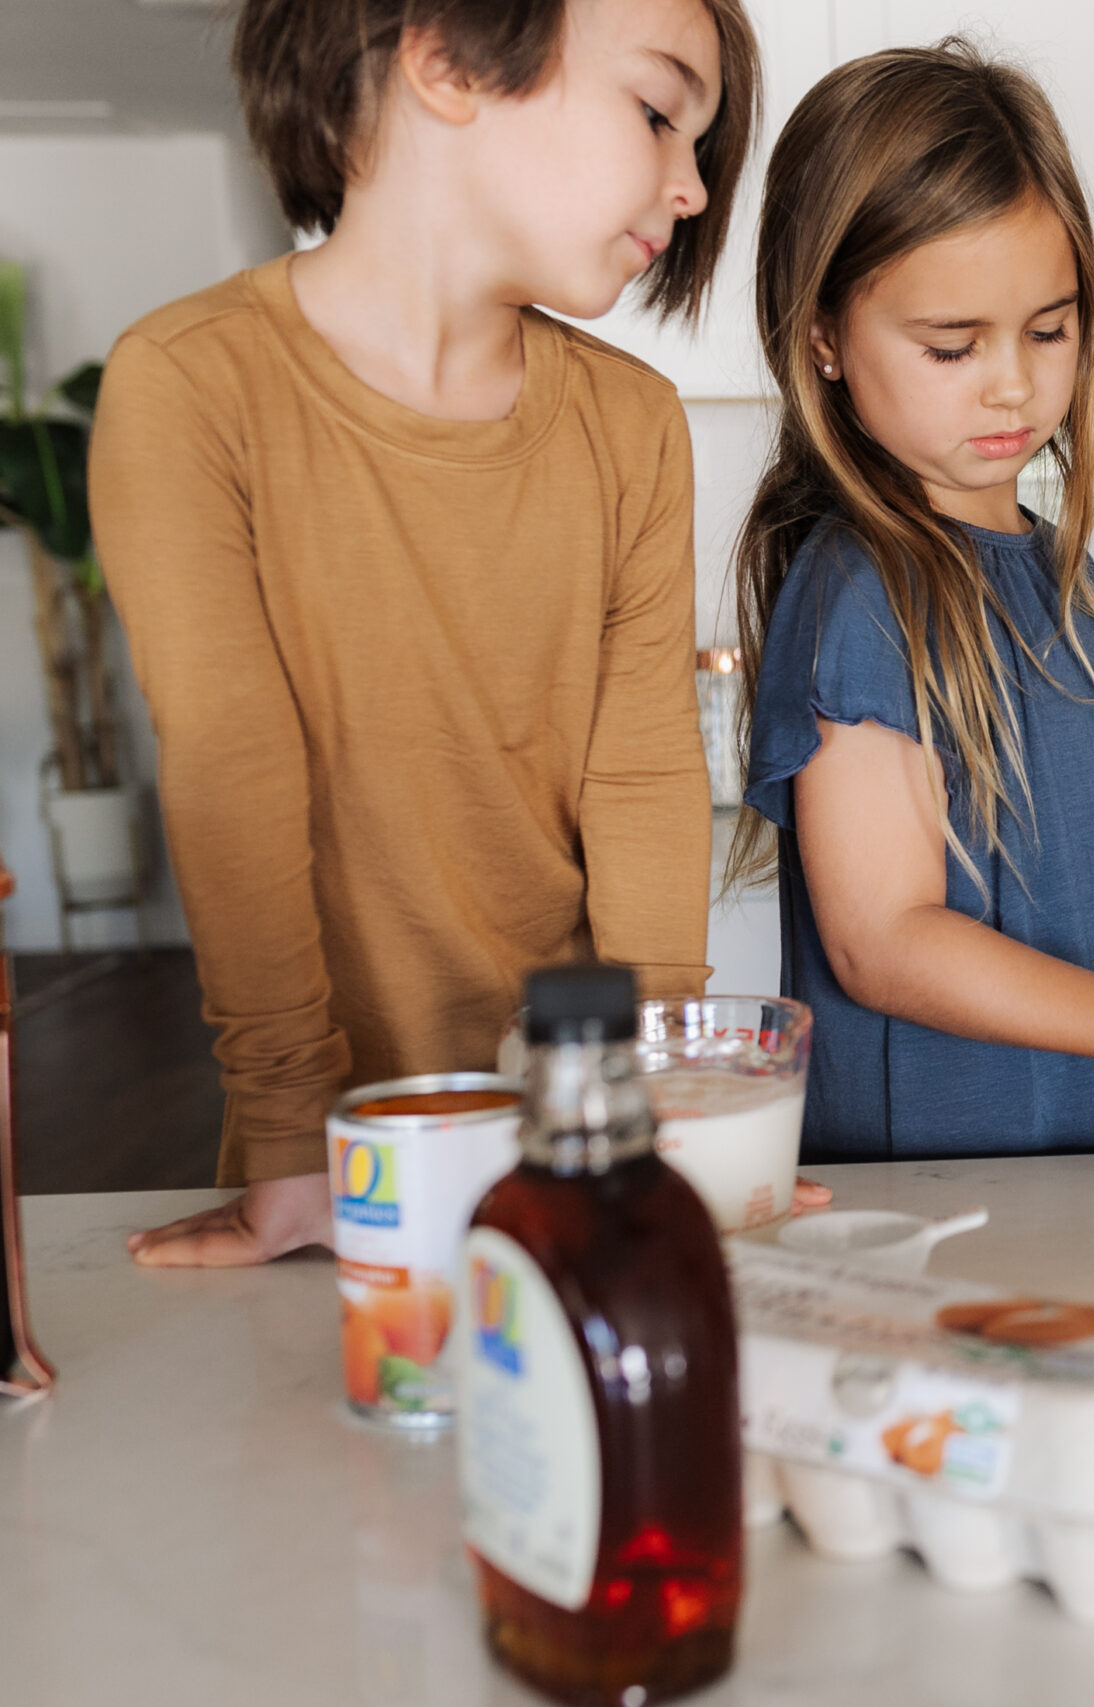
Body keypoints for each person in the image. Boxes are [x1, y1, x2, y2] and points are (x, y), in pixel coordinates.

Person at [90, 0, 775, 1265]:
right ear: (447, 58)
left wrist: (660, 1099)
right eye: (656, 109)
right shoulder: (192, 385)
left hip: (581, 1137)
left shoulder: (630, 426)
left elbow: (638, 773)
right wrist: (295, 1137)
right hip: (346, 1157)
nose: (688, 187)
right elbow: (234, 769)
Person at [733, 43, 1094, 1162]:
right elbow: (885, 942)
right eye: (952, 345)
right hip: (965, 1199)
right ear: (822, 336)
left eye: (1048, 331)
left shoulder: (1061, 575)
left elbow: (1075, 903)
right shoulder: (862, 594)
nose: (1013, 382)